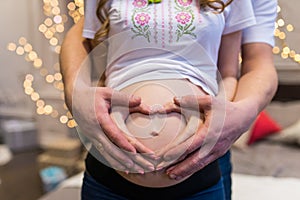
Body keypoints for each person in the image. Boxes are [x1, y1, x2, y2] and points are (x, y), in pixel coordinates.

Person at [58, 0, 274, 199]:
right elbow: (80, 35)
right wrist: (76, 93)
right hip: (110, 173)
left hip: (199, 174)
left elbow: (251, 65)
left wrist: (236, 110)